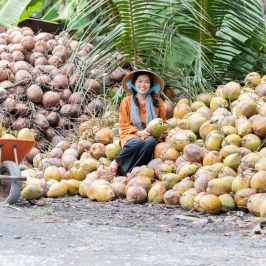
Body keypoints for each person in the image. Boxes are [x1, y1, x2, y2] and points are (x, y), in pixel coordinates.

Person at [109, 70, 167, 176]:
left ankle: (131, 171)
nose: (143, 85)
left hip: (151, 136)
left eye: (146, 82)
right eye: (139, 81)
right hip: (130, 135)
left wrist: (160, 133)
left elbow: (163, 123)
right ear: (134, 84)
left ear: (151, 85)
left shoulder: (158, 102)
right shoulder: (126, 102)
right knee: (137, 142)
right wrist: (138, 132)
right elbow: (124, 125)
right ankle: (116, 162)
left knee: (149, 142)